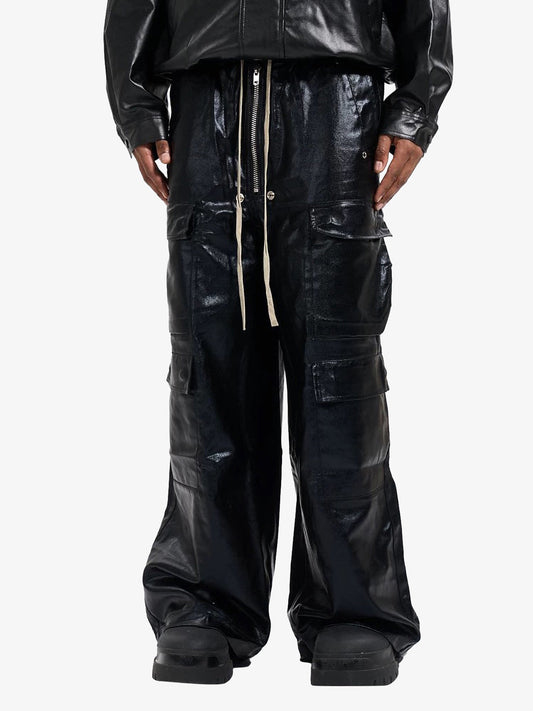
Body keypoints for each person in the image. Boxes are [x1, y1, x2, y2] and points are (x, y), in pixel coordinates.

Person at [103, 0, 453, 687]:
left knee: (338, 379)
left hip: (336, 112)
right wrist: (136, 108)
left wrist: (413, 106)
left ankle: (354, 608)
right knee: (209, 371)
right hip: (205, 109)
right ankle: (206, 600)